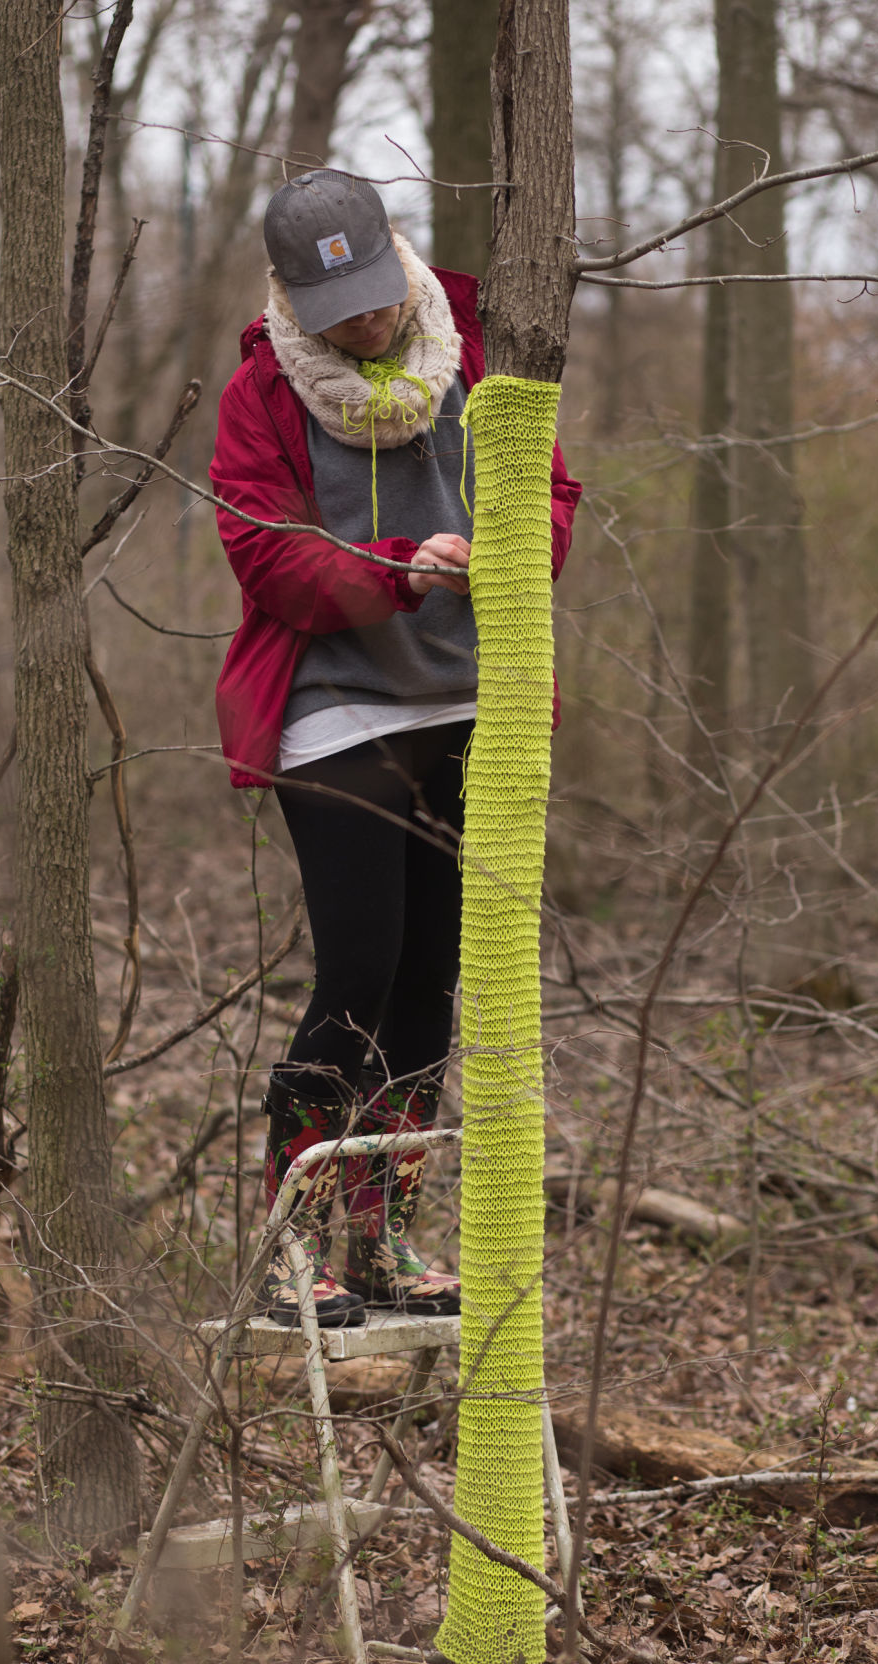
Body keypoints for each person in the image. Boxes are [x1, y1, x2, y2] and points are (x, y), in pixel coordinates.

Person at [211, 170, 581, 1328]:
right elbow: (264, 552)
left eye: (372, 299)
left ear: (394, 264)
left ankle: (375, 1240)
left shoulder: (476, 344)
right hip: (335, 711)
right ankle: (283, 1246)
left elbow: (553, 491)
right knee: (359, 972)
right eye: (336, 313)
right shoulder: (257, 393)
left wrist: (513, 548)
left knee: (429, 985)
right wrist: (394, 573)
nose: (363, 326)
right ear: (290, 298)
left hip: (466, 704)